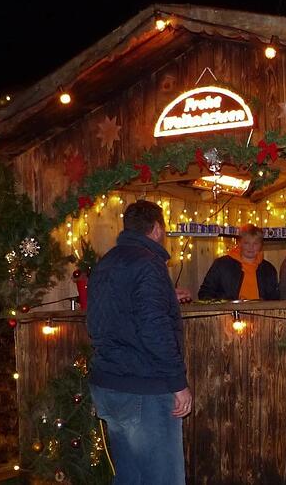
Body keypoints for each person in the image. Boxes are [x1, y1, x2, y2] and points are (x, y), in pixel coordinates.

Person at [87, 200, 193, 484]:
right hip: (143, 386)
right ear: (157, 229)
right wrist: (178, 383)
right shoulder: (149, 265)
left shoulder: (106, 262)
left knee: (130, 477)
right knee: (163, 479)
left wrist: (167, 296)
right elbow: (154, 330)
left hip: (108, 383)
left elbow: (107, 319)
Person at [198, 224, 279, 300]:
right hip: (228, 314)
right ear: (239, 243)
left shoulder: (269, 270)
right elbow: (205, 293)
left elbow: (274, 299)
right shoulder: (222, 264)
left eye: (255, 243)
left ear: (261, 245)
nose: (251, 247)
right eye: (247, 243)